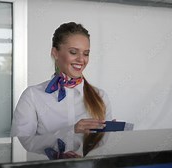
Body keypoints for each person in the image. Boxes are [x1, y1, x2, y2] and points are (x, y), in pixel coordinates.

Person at [10, 22, 112, 156]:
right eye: (73, 52)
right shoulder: (32, 96)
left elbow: (105, 150)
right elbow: (18, 145)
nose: (81, 59)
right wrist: (70, 131)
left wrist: (109, 135)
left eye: (86, 53)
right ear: (55, 53)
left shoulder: (100, 97)